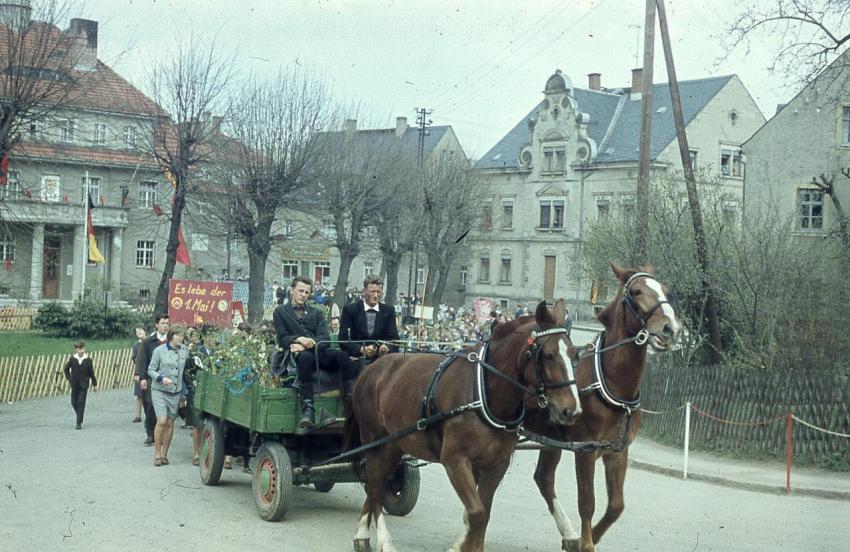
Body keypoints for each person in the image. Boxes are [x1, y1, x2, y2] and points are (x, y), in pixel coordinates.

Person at [272, 276, 357, 431]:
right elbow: (282, 337)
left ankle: (349, 403)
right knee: (304, 359)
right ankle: (308, 411)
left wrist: (305, 344)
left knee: (342, 356)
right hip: (296, 356)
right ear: (292, 290)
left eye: (307, 292)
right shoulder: (280, 312)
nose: (303, 294)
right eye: (300, 291)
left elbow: (324, 337)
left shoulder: (316, 313)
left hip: (318, 351)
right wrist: (299, 339)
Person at [147, 325, 189, 467]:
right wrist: (161, 378)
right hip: (159, 390)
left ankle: (165, 454)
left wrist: (184, 393)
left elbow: (184, 373)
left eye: (182, 336)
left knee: (170, 422)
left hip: (175, 392)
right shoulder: (159, 351)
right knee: (162, 420)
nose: (180, 338)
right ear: (171, 336)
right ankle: (157, 454)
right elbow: (150, 370)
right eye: (178, 335)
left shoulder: (185, 351)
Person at [339, 275, 399, 365]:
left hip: (381, 361)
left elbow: (394, 339)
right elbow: (343, 340)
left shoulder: (389, 311)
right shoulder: (350, 310)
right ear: (364, 291)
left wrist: (386, 347)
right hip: (356, 359)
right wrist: (362, 349)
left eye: (378, 292)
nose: (376, 295)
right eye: (372, 292)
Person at [135, 314, 170, 446]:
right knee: (149, 403)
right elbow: (142, 359)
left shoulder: (170, 342)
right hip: (150, 377)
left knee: (162, 407)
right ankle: (150, 432)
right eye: (163, 323)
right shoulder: (148, 341)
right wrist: (141, 377)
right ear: (157, 325)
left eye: (167, 323)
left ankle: (160, 433)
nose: (165, 326)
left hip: (165, 378)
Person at [63, 341, 97, 430]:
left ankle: (78, 423)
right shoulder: (72, 359)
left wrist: (94, 384)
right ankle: (80, 415)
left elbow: (91, 373)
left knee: (81, 403)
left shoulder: (88, 360)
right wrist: (69, 379)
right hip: (74, 384)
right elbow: (66, 369)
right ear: (76, 350)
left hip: (84, 385)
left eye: (83, 349)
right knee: (73, 402)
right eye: (79, 349)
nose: (82, 351)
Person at [130, 326, 146, 423]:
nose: (138, 332)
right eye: (136, 331)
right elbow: (134, 358)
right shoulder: (136, 345)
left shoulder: (150, 342)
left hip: (149, 371)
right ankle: (138, 415)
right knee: (139, 394)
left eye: (140, 330)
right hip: (140, 371)